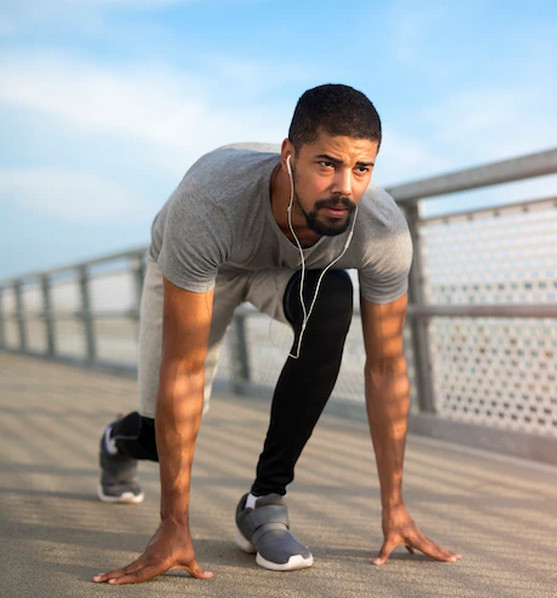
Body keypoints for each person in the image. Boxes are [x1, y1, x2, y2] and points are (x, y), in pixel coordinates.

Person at [92, 84, 461, 585]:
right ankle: (118, 440)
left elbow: (387, 367)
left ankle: (264, 500)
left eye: (362, 169)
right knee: (161, 439)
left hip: (284, 269)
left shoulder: (381, 229)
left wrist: (394, 505)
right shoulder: (210, 202)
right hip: (206, 267)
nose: (344, 188)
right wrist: (172, 524)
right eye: (326, 164)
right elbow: (183, 368)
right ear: (289, 155)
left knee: (331, 300)